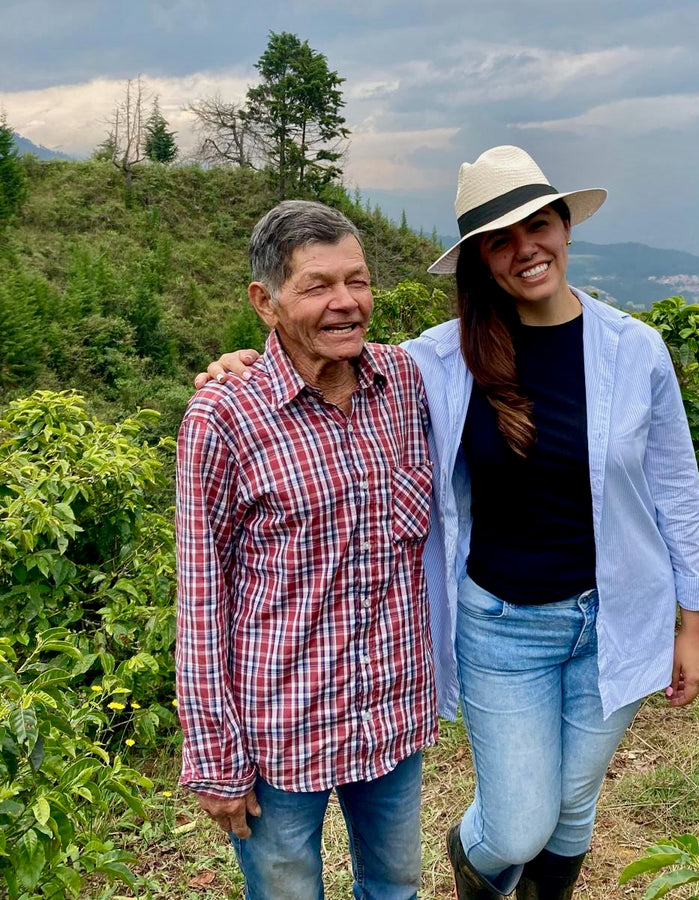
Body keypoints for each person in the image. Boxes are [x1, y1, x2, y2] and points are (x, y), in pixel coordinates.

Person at [201, 146, 699, 900]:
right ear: (479, 261)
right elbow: (329, 355)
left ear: (565, 227)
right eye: (499, 241)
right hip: (502, 626)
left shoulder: (634, 350)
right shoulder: (435, 363)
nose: (524, 250)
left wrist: (692, 620)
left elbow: (676, 486)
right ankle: (476, 864)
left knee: (573, 804)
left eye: (537, 226)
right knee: (515, 827)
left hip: (616, 615)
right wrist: (240, 364)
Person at [176, 199, 437, 900]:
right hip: (279, 731)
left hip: (390, 710)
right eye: (317, 285)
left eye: (357, 280)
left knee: (397, 888)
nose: (346, 302)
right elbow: (202, 597)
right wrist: (214, 754)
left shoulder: (403, 383)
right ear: (266, 303)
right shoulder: (222, 416)